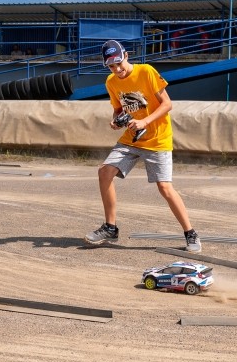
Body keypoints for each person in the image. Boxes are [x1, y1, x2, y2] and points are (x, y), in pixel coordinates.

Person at [84, 40, 202, 252]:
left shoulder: (146, 71)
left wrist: (145, 122)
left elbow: (167, 104)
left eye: (119, 63)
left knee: (165, 188)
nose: (117, 69)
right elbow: (118, 108)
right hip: (131, 138)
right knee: (104, 172)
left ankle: (190, 233)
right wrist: (115, 120)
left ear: (126, 56)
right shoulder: (111, 82)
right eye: (111, 66)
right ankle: (110, 227)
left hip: (158, 139)